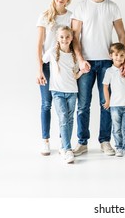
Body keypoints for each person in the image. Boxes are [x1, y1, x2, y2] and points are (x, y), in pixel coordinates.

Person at [71, 0, 125, 157]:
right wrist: (80, 60)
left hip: (107, 62)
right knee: (83, 104)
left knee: (106, 103)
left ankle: (105, 141)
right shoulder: (80, 7)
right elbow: (74, 37)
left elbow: (122, 35)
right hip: (86, 63)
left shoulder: (112, 7)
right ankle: (82, 143)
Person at [36, 0, 72, 156]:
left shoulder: (71, 17)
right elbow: (38, 45)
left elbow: (75, 42)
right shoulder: (45, 16)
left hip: (64, 66)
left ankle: (63, 141)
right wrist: (39, 69)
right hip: (47, 65)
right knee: (46, 103)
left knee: (64, 106)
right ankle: (45, 140)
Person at [42, 26, 83, 164]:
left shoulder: (74, 55)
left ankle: (63, 146)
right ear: (57, 38)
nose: (64, 39)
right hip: (57, 92)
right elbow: (43, 60)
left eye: (67, 37)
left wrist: (82, 71)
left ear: (71, 38)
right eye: (61, 37)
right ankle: (67, 149)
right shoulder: (53, 52)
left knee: (70, 119)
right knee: (64, 118)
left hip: (72, 91)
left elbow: (75, 75)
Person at [103, 43, 125, 160]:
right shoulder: (109, 71)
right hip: (115, 105)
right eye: (116, 55)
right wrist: (108, 101)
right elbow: (105, 87)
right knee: (116, 129)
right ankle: (119, 148)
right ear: (111, 55)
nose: (119, 58)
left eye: (122, 55)